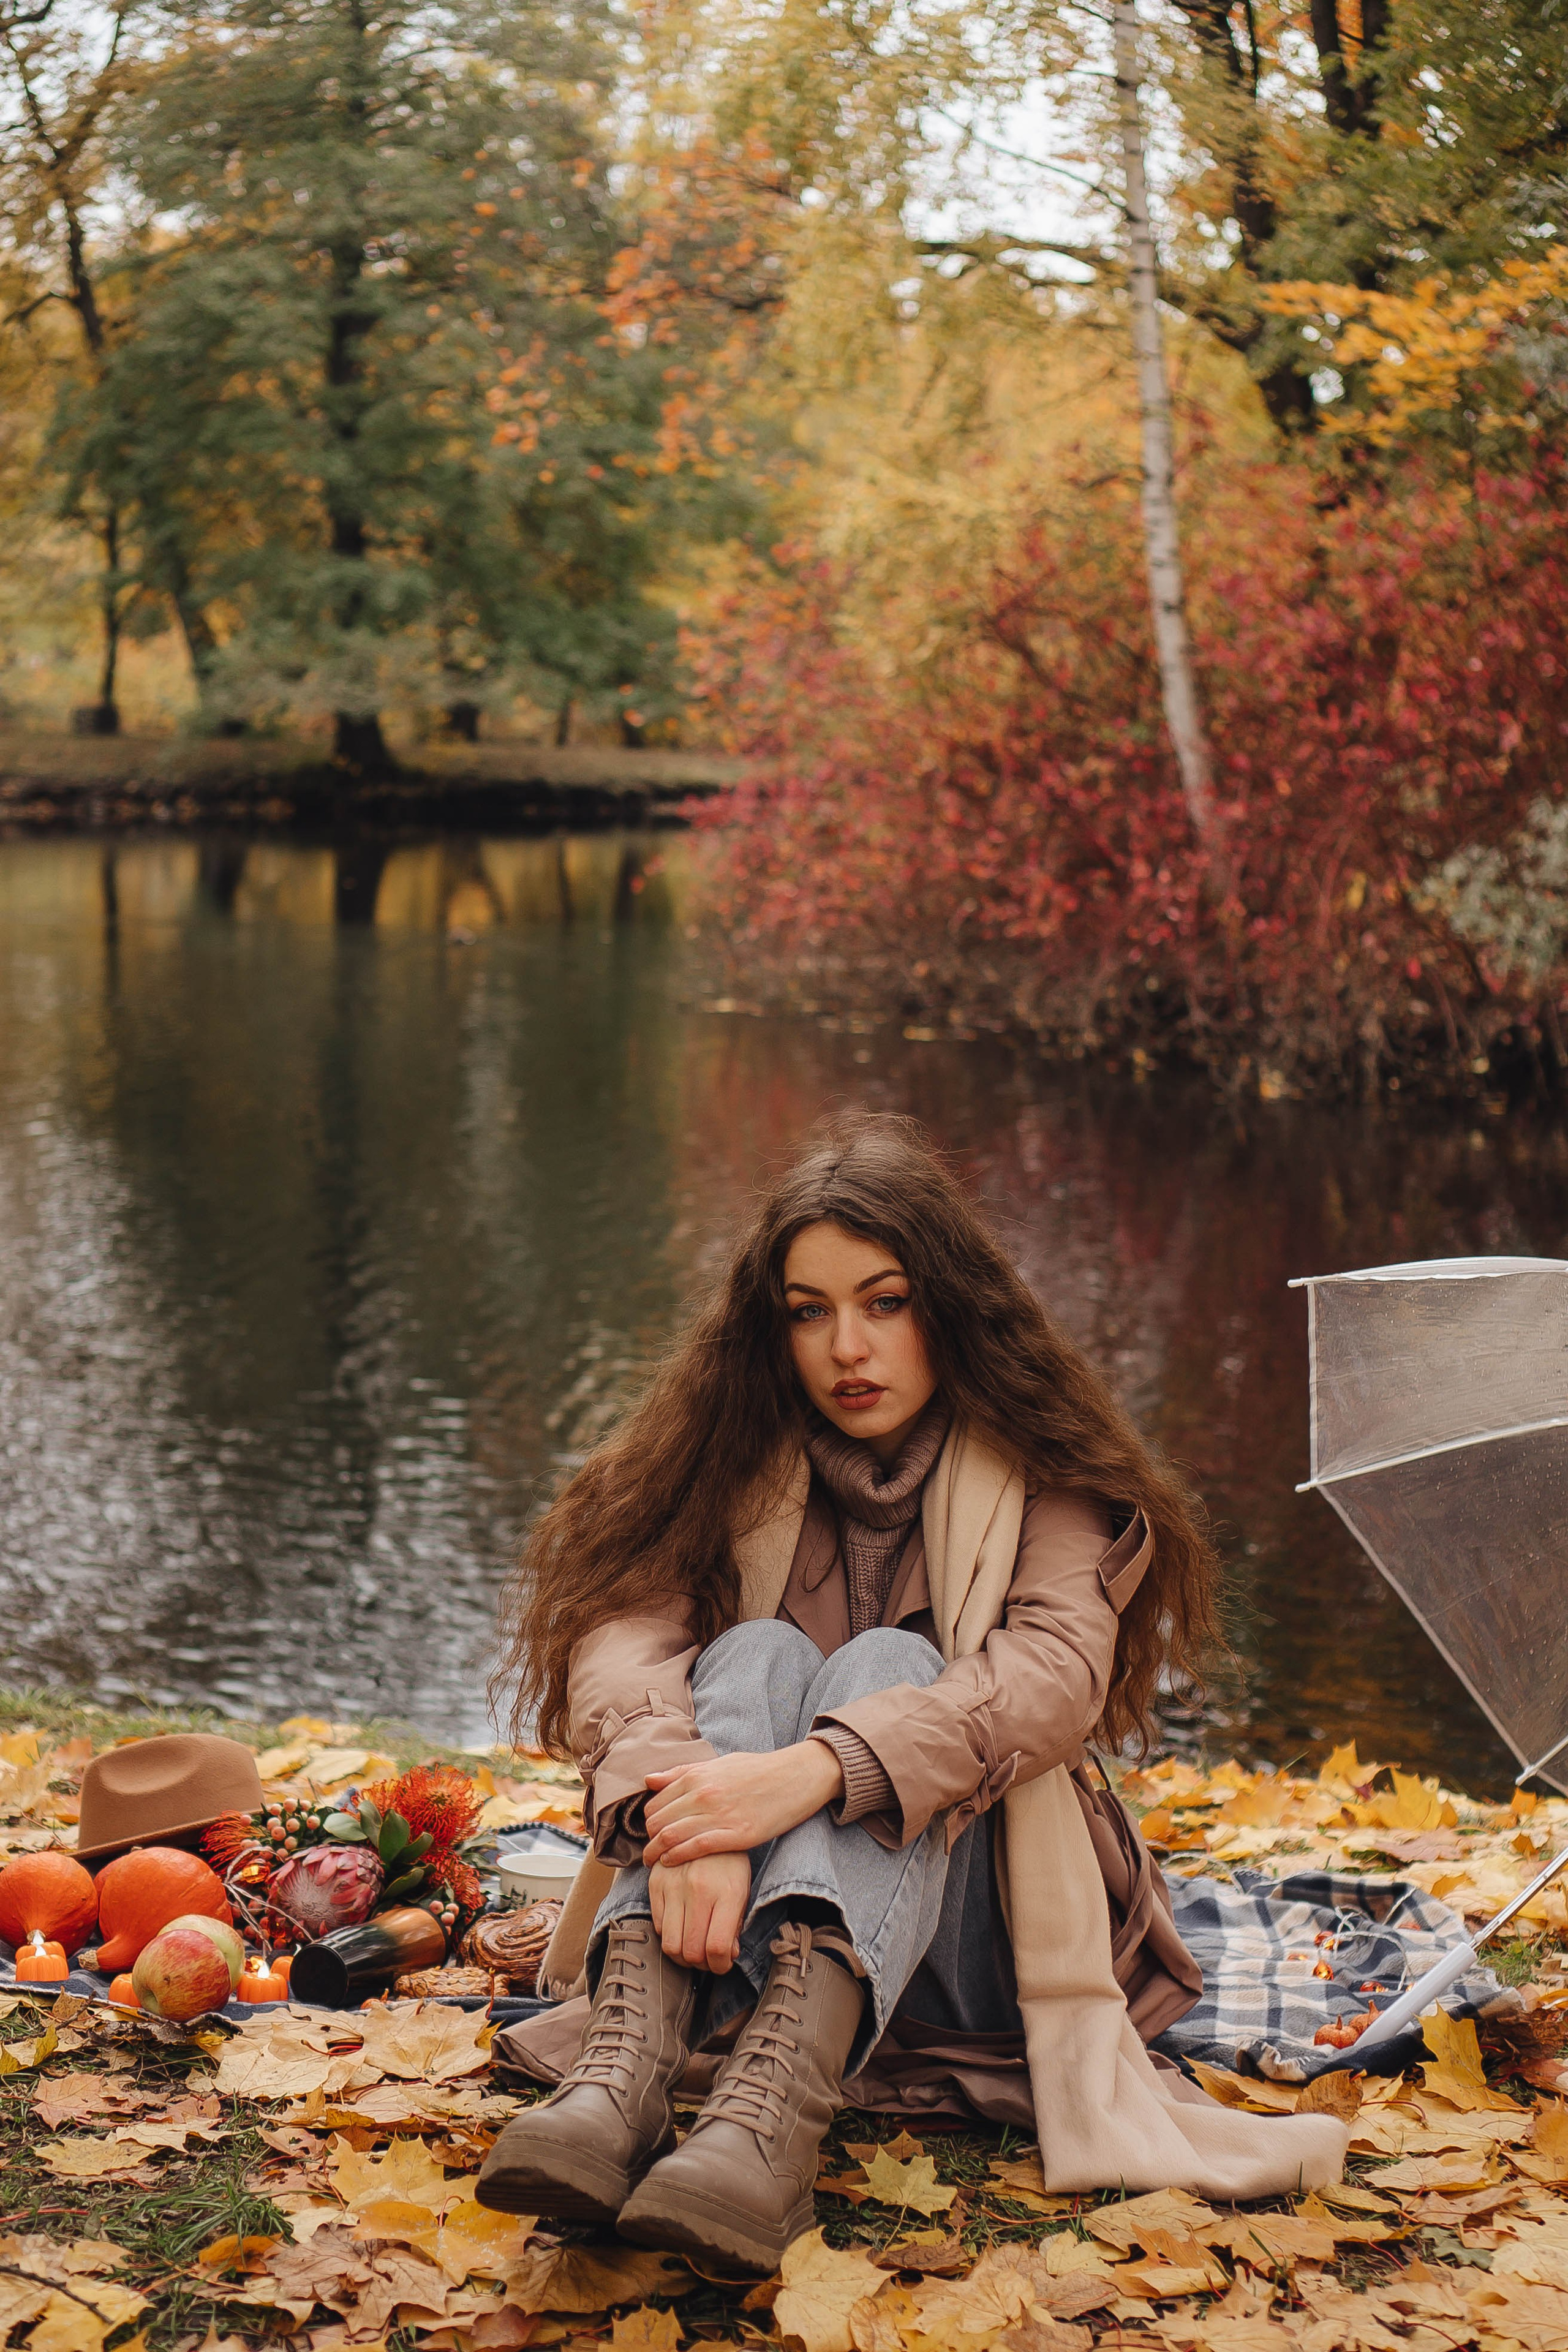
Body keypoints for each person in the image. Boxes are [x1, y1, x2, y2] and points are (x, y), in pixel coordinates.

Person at [478, 1116, 1347, 2270]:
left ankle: (768, 2128)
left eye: (885, 1302)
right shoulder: (726, 1450)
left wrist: (805, 1775)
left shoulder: (1048, 1469)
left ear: (947, 1302)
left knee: (895, 1668)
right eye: (810, 1310)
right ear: (771, 1326)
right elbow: (624, 1639)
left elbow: (1051, 1679)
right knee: (752, 1659)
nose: (849, 1346)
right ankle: (618, 2083)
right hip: (724, 1921)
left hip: (980, 1941)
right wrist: (687, 1816)